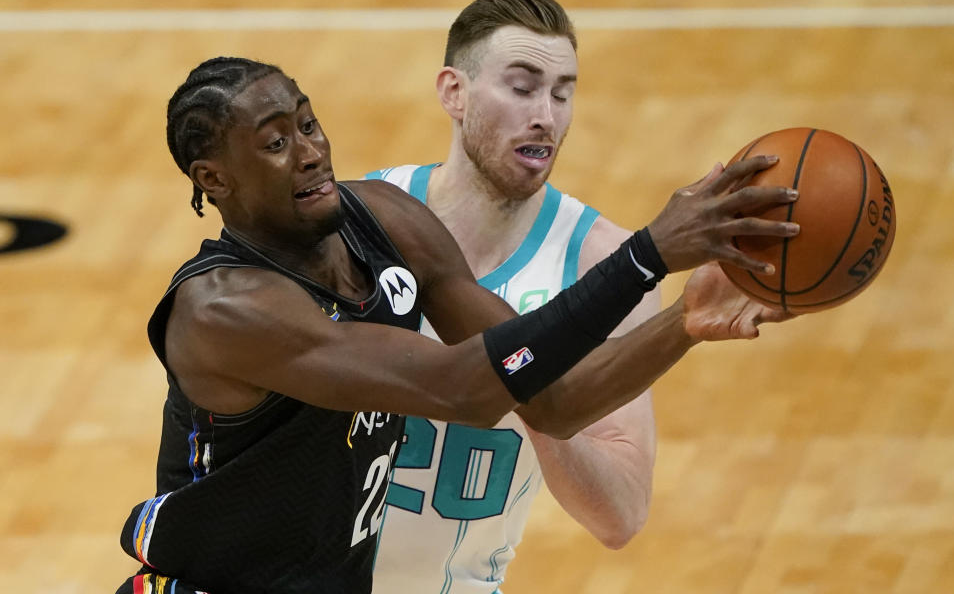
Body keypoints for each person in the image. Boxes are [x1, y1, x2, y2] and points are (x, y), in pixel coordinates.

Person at [115, 56, 798, 594]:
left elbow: (553, 402)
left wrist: (682, 322)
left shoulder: (381, 217)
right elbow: (464, 389)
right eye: (273, 143)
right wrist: (644, 257)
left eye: (307, 123)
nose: (309, 151)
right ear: (216, 178)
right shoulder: (225, 310)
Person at [366, 0, 665, 593]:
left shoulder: (603, 264)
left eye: (563, 93)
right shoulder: (359, 220)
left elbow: (620, 514)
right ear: (454, 91)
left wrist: (535, 390)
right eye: (522, 87)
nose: (546, 116)